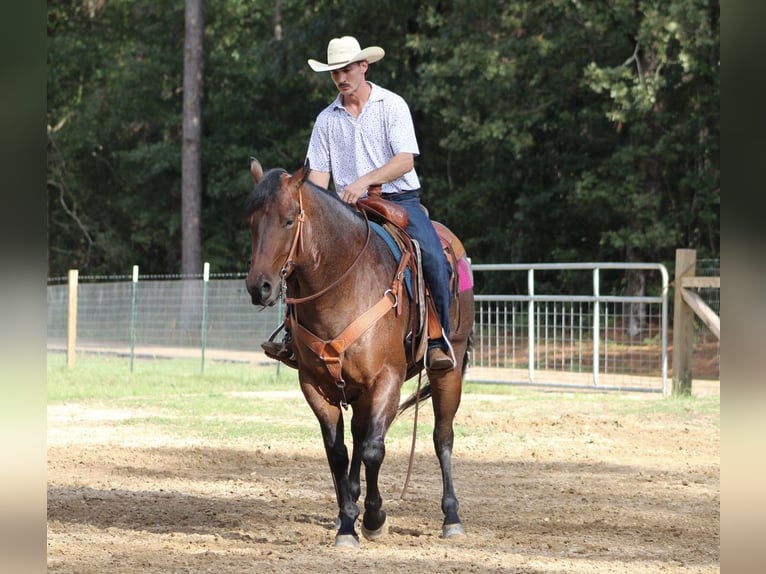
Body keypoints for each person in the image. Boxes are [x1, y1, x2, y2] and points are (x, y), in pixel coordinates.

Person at [262, 35, 455, 371]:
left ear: (364, 66)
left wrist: (365, 181)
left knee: (434, 258)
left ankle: (438, 340)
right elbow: (318, 180)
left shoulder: (391, 105)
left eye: (347, 69)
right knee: (300, 256)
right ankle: (294, 338)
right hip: (346, 209)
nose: (341, 77)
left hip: (399, 201)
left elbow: (405, 160)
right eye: (335, 72)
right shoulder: (326, 120)